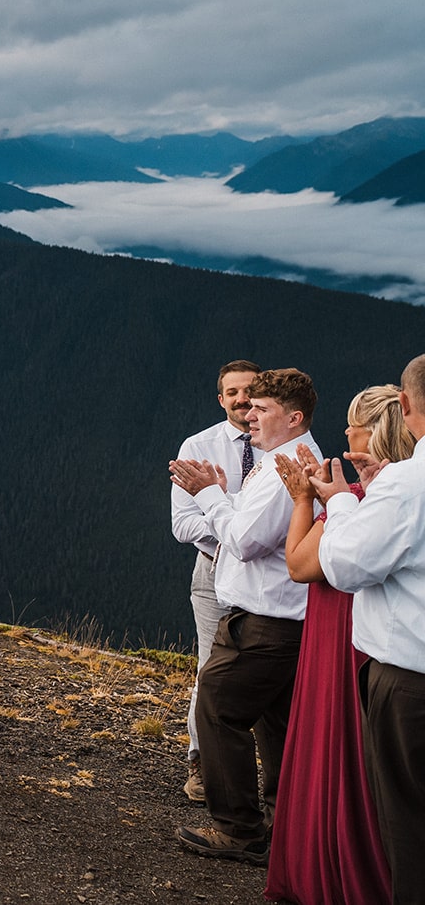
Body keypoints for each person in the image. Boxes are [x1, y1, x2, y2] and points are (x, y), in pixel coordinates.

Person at [168, 368, 320, 864]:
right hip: (276, 620)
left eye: (263, 408)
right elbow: (245, 522)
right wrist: (222, 497)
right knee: (276, 725)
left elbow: (245, 540)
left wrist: (209, 496)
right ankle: (282, 826)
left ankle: (239, 830)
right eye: (248, 405)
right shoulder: (280, 461)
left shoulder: (287, 468)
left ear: (293, 417)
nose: (249, 414)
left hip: (265, 623)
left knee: (217, 711)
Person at [266, 386, 407, 903]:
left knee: (338, 746)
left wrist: (307, 499)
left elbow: (301, 564)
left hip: (341, 631)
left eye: (353, 423)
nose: (345, 433)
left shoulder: (360, 500)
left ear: (374, 432)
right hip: (373, 637)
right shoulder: (394, 494)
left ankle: (333, 867)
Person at [315, 355, 425, 904]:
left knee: (410, 830)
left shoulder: (406, 485)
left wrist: (339, 505)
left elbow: (346, 566)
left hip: (411, 683)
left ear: (405, 407)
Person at [170, 359, 260, 803]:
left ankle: (269, 769)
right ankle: (202, 764)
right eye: (233, 392)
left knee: (271, 669)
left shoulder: (279, 443)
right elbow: (183, 525)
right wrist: (236, 532)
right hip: (214, 569)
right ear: (220, 398)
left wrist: (223, 508)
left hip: (270, 575)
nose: (243, 399)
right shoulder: (198, 446)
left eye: (250, 390)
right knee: (211, 668)